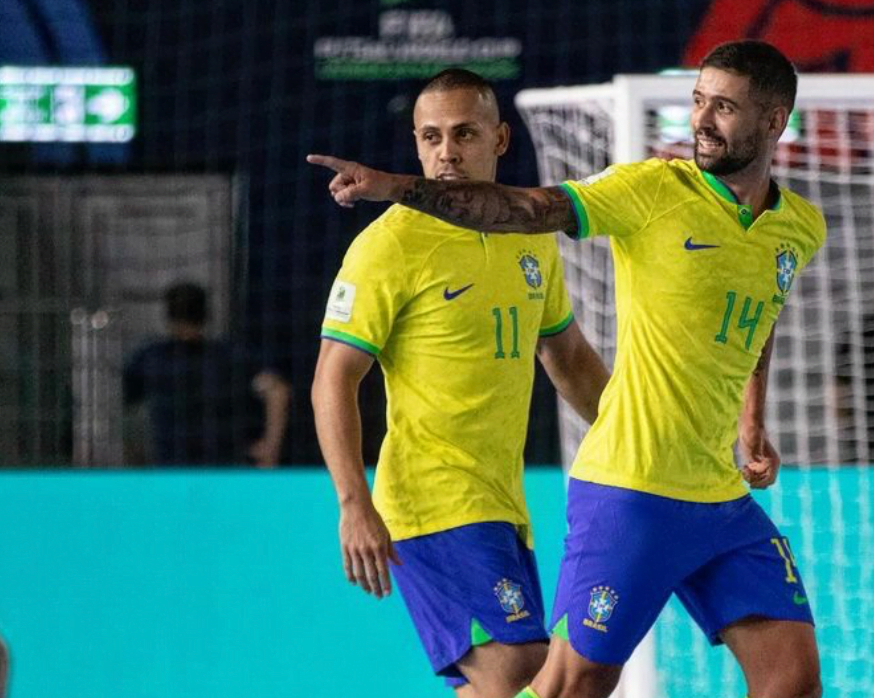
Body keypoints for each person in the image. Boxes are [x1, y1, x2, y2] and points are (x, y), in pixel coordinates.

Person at [310, 40, 825, 698]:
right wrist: (353, 502)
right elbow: (336, 373)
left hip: (699, 494)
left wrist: (751, 419)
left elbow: (586, 356)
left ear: (775, 120)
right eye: (697, 101)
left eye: (721, 106)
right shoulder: (648, 192)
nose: (701, 119)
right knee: (549, 683)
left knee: (793, 679)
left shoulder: (797, 228)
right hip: (557, 497)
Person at [311, 69, 609, 698]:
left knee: (516, 684)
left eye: (464, 133)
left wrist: (637, 437)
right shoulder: (389, 243)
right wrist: (352, 502)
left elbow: (568, 356)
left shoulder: (529, 235)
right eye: (431, 136)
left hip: (502, 503)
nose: (446, 151)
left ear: (499, 140)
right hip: (433, 501)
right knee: (523, 668)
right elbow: (333, 378)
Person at [123, 282, 290, 467]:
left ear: (168, 315)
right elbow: (276, 390)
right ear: (205, 315)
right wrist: (270, 447)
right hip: (216, 470)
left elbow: (123, 407)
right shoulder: (228, 356)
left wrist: (132, 457)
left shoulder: (151, 359)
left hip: (178, 470)